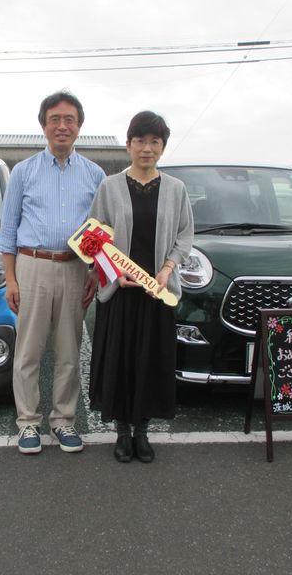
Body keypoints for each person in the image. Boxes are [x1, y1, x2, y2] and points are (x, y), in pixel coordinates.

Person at [0, 91, 106, 455]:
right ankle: (28, 422)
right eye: (55, 119)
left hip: (75, 269)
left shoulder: (94, 174)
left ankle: (63, 420)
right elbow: (8, 231)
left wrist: (94, 272)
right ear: (43, 125)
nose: (62, 126)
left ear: (79, 126)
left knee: (69, 350)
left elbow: (98, 229)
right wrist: (11, 279)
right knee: (29, 350)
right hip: (32, 266)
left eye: (69, 120)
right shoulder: (23, 171)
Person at [88, 111, 194, 463]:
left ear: (163, 146)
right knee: (119, 360)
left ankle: (143, 431)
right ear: (129, 144)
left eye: (155, 142)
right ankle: (122, 431)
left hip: (156, 291)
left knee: (152, 361)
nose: (147, 148)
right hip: (120, 291)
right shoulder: (110, 186)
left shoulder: (176, 189)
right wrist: (114, 273)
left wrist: (167, 269)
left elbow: (184, 235)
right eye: (140, 141)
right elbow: (93, 238)